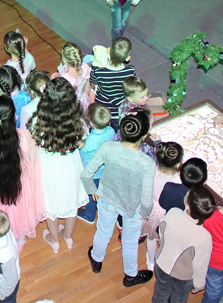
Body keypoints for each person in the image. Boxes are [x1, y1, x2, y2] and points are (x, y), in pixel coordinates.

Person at [82, 111, 156, 287]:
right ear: (144, 136)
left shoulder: (108, 147)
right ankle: (130, 275)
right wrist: (146, 212)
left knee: (102, 232)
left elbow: (86, 175)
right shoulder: (147, 163)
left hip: (106, 199)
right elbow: (146, 197)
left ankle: (96, 259)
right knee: (129, 243)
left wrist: (93, 190)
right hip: (133, 208)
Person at [0, 96, 46, 250]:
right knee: (18, 213)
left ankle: (0, 240)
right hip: (18, 185)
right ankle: (18, 241)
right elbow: (33, 165)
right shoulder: (25, 138)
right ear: (14, 116)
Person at [28, 77, 89, 253]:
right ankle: (68, 236)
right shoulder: (78, 121)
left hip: (47, 169)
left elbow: (34, 143)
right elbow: (81, 144)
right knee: (72, 200)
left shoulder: (38, 120)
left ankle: (54, 240)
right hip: (71, 167)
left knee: (50, 204)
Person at [152, 185, 215, 303]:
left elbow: (161, 231)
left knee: (160, 292)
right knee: (179, 299)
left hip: (162, 264)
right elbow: (200, 264)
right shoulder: (205, 237)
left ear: (187, 206)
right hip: (183, 277)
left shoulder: (173, 212)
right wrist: (199, 284)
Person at [143, 142, 185, 269]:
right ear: (178, 164)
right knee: (165, 240)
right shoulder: (179, 181)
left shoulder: (150, 171)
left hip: (152, 210)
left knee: (151, 238)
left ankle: (151, 262)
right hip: (169, 215)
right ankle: (162, 261)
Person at [77, 103, 114, 223]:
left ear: (91, 123)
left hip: (93, 173)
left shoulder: (89, 142)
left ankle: (89, 215)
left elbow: (82, 155)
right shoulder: (111, 131)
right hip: (105, 170)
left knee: (92, 193)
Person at [90, 37, 136, 130]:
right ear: (127, 58)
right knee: (116, 130)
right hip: (119, 111)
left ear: (109, 51)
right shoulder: (130, 71)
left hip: (103, 109)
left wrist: (94, 68)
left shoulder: (99, 71)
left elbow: (92, 82)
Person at [51, 41, 92, 112]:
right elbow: (87, 90)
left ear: (64, 60)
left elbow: (60, 96)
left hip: (71, 105)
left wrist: (52, 80)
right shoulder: (85, 67)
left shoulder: (64, 77)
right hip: (83, 101)